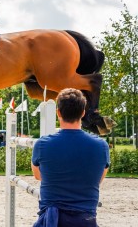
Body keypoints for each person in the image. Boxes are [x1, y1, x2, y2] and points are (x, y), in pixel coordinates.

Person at [31, 88, 110, 227]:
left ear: (58, 112)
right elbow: (97, 179)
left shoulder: (42, 144)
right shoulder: (101, 146)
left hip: (52, 221)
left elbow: (38, 175)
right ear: (83, 112)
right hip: (85, 220)